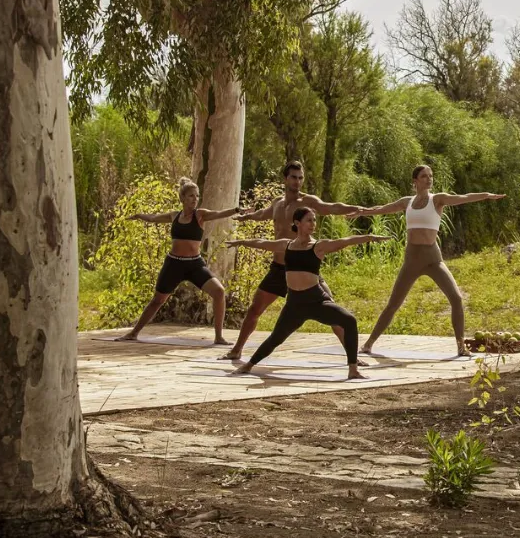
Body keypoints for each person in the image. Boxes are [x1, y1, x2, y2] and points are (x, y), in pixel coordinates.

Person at [220, 160, 367, 360]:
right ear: (285, 178)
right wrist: (246, 217)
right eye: (293, 177)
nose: (297, 181)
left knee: (333, 312)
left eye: (300, 178)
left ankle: (354, 358)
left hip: (303, 269)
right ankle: (236, 350)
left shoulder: (307, 202)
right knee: (255, 309)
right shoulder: (277, 204)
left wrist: (356, 208)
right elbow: (262, 214)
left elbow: (331, 207)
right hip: (279, 269)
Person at [358, 164, 505, 357]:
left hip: (433, 259)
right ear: (415, 181)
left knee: (456, 299)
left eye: (431, 176)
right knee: (393, 304)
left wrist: (486, 195)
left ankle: (461, 347)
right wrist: (361, 211)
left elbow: (463, 198)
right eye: (424, 176)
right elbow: (381, 209)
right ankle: (368, 344)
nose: (429, 179)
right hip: (412, 259)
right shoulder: (407, 202)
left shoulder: (437, 200)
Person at [227, 207, 389, 380]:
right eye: (309, 220)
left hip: (316, 301)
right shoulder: (287, 245)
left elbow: (346, 241)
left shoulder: (319, 246)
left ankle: (353, 369)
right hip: (294, 305)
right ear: (297, 223)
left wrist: (370, 237)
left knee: (349, 320)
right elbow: (262, 243)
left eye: (314, 220)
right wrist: (241, 242)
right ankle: (248, 365)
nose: (313, 224)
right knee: (276, 338)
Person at [115, 177, 244, 343]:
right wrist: (139, 215)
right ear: (182, 198)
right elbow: (154, 218)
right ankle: (133, 333)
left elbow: (219, 214)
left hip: (194, 265)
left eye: (197, 196)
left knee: (219, 292)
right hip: (174, 264)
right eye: (191, 196)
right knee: (158, 300)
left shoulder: (200, 215)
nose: (195, 199)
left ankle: (219, 337)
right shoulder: (174, 216)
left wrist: (237, 209)